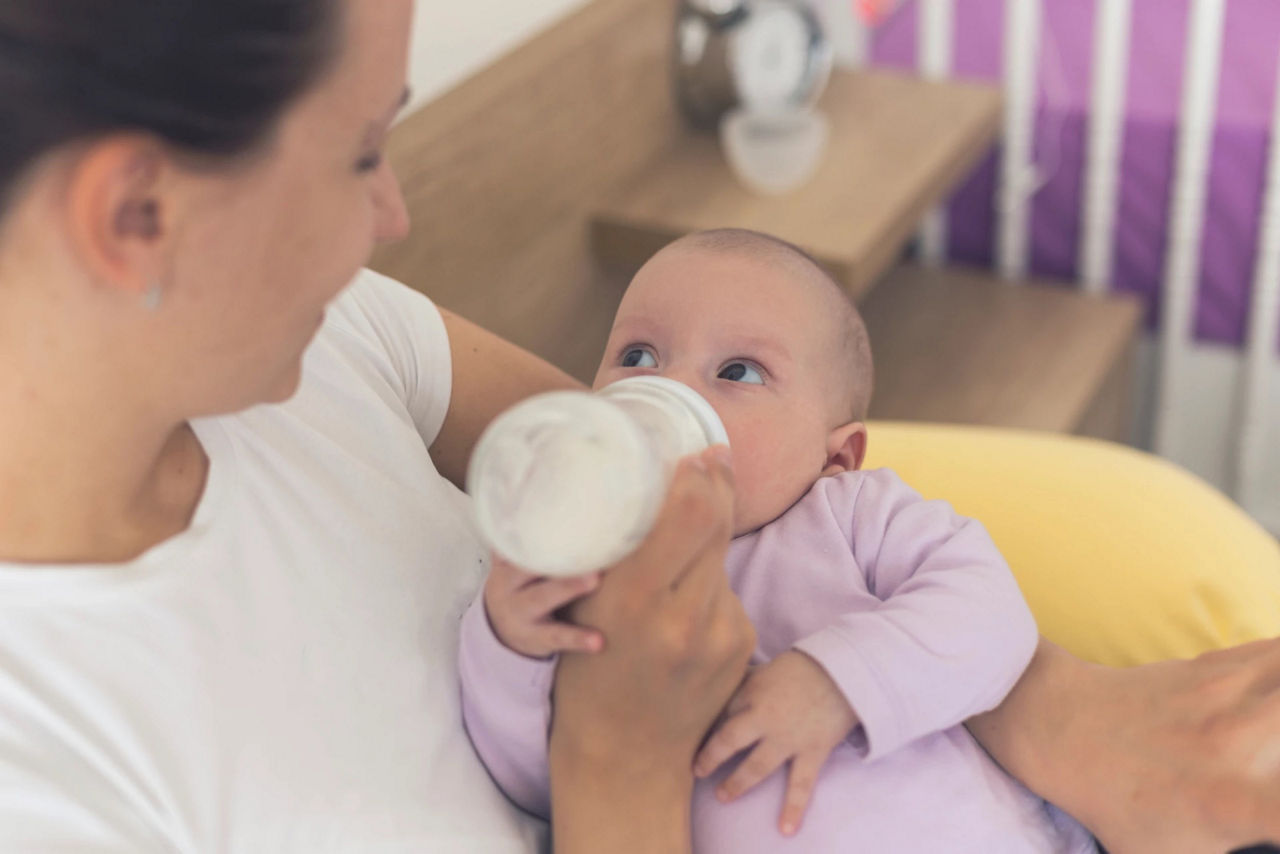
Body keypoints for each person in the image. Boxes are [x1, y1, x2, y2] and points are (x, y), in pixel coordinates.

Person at [0, 1, 1276, 852]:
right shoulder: (53, 769)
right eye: (360, 155)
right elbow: (518, 742)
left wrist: (1052, 709)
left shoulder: (333, 331)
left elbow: (645, 454)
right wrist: (589, 723)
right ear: (137, 217)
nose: (395, 219)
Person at [460, 228, 1097, 852]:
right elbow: (539, 785)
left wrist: (838, 680)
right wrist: (510, 643)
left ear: (836, 456)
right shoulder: (585, 560)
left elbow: (989, 615)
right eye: (638, 357)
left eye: (738, 370)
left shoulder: (850, 515)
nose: (669, 390)